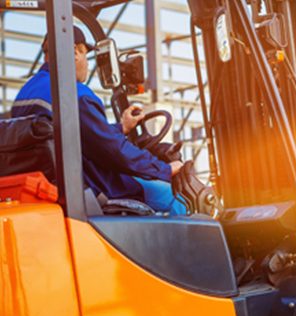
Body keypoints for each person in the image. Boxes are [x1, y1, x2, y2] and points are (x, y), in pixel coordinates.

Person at [11, 26, 187, 215]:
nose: (87, 64)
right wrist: (163, 169)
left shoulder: (25, 93)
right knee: (172, 196)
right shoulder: (75, 94)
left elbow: (78, 135)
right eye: (87, 56)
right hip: (90, 187)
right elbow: (113, 151)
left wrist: (121, 128)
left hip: (50, 187)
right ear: (75, 52)